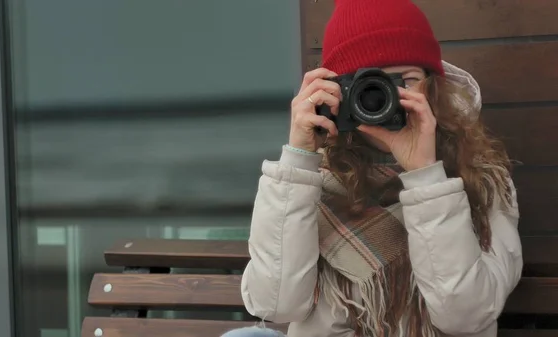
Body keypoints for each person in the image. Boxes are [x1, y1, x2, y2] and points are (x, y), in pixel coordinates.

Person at [223, 0, 522, 336]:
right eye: (367, 85)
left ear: (433, 85)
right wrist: (297, 159)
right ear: (337, 92)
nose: (384, 97)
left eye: (404, 79)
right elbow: (274, 304)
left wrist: (426, 177)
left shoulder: (482, 180)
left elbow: (466, 317)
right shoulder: (312, 180)